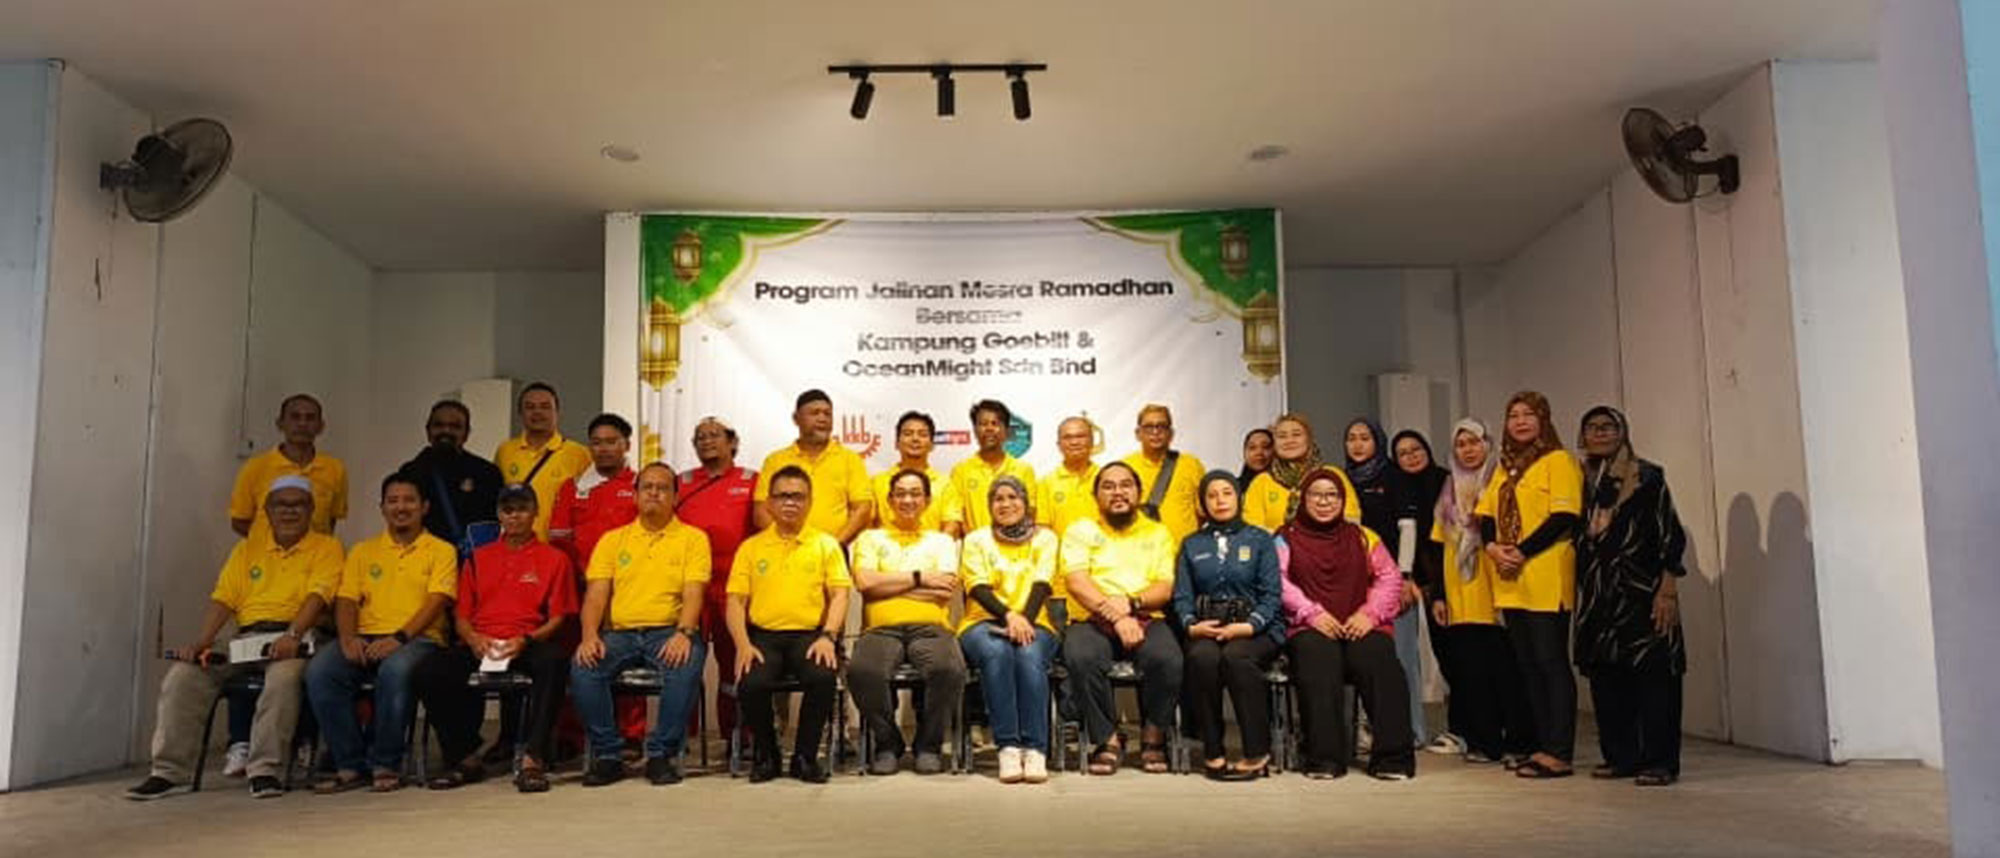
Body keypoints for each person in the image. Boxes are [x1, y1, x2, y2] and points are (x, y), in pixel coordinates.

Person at [126, 478, 342, 801]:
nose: (289, 511)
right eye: (281, 504)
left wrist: (292, 634)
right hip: (246, 637)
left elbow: (318, 596)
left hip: (296, 636)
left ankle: (264, 770)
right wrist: (202, 641)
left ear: (311, 509)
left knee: (284, 678)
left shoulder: (327, 547)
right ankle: (168, 772)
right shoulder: (247, 549)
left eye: (298, 504)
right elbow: (224, 599)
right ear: (267, 510)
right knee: (185, 675)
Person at [410, 484, 575, 793]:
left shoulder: (555, 559)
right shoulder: (477, 558)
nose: (515, 516)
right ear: (499, 514)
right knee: (429, 671)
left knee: (555, 662)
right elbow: (461, 616)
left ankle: (533, 758)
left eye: (522, 509)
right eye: (508, 510)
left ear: (535, 513)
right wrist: (474, 639)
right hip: (481, 642)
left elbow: (557, 618)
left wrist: (525, 640)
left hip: (527, 642)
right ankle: (464, 757)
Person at [306, 474, 457, 793]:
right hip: (365, 637)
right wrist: (347, 638)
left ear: (424, 507)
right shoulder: (363, 551)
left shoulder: (441, 550)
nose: (401, 507)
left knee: (395, 670)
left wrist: (399, 638)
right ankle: (349, 764)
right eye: (393, 501)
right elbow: (347, 600)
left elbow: (436, 601)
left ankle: (385, 763)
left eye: (409, 500)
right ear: (382, 508)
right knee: (321, 670)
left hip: (419, 640)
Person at [569, 464, 712, 786]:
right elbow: (595, 597)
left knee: (686, 662)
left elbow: (694, 593)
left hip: (668, 631)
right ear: (634, 495)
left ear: (675, 497)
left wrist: (684, 632)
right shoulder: (612, 540)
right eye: (647, 487)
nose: (654, 493)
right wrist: (589, 636)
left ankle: (661, 755)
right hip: (619, 635)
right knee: (583, 667)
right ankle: (608, 756)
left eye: (663, 488)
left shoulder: (693, 539)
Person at [1574, 406, 1689, 787]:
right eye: (1592, 427)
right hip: (1599, 597)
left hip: (1642, 592)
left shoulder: (1647, 476)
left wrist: (1667, 588)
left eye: (1609, 426)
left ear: (1622, 432)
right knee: (1607, 679)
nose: (1601, 433)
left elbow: (1670, 533)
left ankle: (1660, 761)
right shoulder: (1581, 480)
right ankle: (1621, 757)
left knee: (1655, 679)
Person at [1278, 468, 1415, 780]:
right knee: (1318, 660)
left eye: (1332, 495)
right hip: (1310, 626)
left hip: (1361, 623)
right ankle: (1324, 759)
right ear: (1303, 499)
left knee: (1379, 659)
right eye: (1316, 495)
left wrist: (1370, 614)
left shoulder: (1363, 536)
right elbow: (1279, 581)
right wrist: (1311, 613)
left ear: (1342, 500)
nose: (1324, 501)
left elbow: (1389, 578)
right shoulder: (1284, 538)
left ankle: (1393, 758)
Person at [1476, 391, 1585, 779]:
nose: (1520, 421)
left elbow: (1564, 515)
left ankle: (1559, 750)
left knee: (1550, 662)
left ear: (1544, 420)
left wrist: (1522, 551)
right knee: (1527, 665)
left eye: (1528, 414)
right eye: (1513, 415)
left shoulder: (1558, 461)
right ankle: (1540, 745)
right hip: (1510, 579)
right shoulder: (1505, 467)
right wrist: (1492, 546)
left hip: (1545, 575)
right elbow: (1486, 514)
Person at [729, 465, 853, 783]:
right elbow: (735, 602)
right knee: (751, 683)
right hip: (763, 637)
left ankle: (805, 757)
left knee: (822, 678)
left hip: (810, 637)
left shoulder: (826, 545)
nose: (790, 503)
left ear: (809, 502)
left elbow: (840, 595)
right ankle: (767, 755)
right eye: (782, 496)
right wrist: (742, 645)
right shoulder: (751, 547)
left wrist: (828, 637)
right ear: (769, 503)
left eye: (798, 497)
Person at [1061, 462, 1182, 775]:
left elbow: (1165, 587)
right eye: (1108, 486)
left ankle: (1153, 737)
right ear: (1096, 495)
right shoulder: (1080, 530)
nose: (1118, 492)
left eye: (1126, 485)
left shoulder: (1157, 532)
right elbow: (1077, 582)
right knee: (1081, 656)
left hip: (1145, 615)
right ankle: (1108, 740)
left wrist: (1131, 603)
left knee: (1168, 659)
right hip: (1092, 618)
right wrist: (1116, 616)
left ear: (1139, 492)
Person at [1427, 419, 1534, 766]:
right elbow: (1439, 545)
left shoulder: (1502, 480)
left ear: (1487, 444)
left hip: (1499, 590)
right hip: (1460, 593)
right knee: (1471, 674)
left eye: (1474, 442)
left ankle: (1519, 742)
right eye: (1461, 444)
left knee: (1507, 672)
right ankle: (1485, 742)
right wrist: (1439, 595)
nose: (1468, 450)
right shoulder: (1449, 488)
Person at [847, 469, 966, 775]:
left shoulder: (942, 541)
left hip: (931, 627)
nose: (908, 500)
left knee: (948, 670)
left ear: (927, 500)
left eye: (915, 493)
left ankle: (929, 744)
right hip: (880, 629)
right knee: (862, 672)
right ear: (889, 500)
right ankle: (888, 743)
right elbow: (865, 583)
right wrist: (920, 577)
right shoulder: (870, 538)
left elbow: (944, 590)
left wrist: (887, 586)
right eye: (900, 493)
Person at [1172, 471, 1282, 781]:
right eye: (1212, 495)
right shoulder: (1192, 543)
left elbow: (1272, 596)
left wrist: (1249, 626)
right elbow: (1182, 596)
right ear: (1203, 503)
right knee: (1202, 658)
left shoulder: (1260, 540)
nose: (1220, 501)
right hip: (1206, 627)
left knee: (1236, 657)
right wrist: (1191, 625)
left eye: (1227, 493)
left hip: (1255, 629)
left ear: (1238, 497)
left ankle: (1257, 752)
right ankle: (1212, 749)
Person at [959, 476, 1061, 784]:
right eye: (998, 499)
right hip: (982, 622)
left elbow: (1043, 582)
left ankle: (1035, 749)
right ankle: (1007, 746)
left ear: (1026, 503)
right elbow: (976, 586)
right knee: (997, 652)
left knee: (1029, 655)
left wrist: (1023, 620)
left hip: (1035, 621)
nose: (1006, 504)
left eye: (1013, 497)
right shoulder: (976, 539)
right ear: (989, 505)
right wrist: (1009, 617)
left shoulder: (1045, 538)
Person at [1343, 417, 1428, 747]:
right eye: (1352, 438)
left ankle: (1412, 731)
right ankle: (1373, 729)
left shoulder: (1393, 475)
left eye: (1365, 437)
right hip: (1359, 582)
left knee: (1402, 658)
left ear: (1378, 441)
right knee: (1368, 658)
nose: (1358, 444)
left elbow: (1408, 528)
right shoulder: (1344, 478)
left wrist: (1405, 576)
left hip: (1394, 580)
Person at [676, 416, 758, 745]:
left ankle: (738, 736)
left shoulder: (752, 480)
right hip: (690, 589)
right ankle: (679, 739)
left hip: (733, 589)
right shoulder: (680, 482)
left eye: (714, 435)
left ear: (732, 442)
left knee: (735, 665)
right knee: (682, 662)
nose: (707, 441)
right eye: (700, 437)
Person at [1393, 429, 1454, 755]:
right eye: (1402, 453)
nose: (1411, 456)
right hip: (1417, 581)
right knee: (1439, 653)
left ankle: (1464, 730)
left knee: (1457, 654)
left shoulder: (1446, 482)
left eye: (1416, 449)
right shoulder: (1398, 487)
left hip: (1451, 577)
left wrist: (1436, 586)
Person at [754, 389, 871, 544]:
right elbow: (761, 511)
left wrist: (834, 546)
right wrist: (787, 543)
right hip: (784, 550)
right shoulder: (775, 461)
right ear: (796, 418)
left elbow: (862, 509)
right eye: (815, 413)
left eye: (827, 414)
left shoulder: (849, 459)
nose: (822, 419)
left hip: (834, 550)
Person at [230, 393, 348, 538]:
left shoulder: (335, 469)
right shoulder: (255, 467)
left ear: (321, 426)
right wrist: (269, 544)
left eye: (310, 418)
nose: (302, 424)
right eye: (295, 417)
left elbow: (331, 520)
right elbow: (239, 520)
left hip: (317, 551)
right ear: (280, 424)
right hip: (266, 551)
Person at [396, 399, 502, 551]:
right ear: (428, 431)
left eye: (455, 426)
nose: (446, 431)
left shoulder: (487, 473)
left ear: (466, 434)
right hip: (424, 558)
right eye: (438, 425)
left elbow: (495, 525)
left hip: (472, 560)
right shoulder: (411, 472)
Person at [493, 382, 591, 540]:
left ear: (556, 412)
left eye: (545, 407)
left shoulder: (579, 454)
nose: (537, 412)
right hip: (515, 545)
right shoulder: (505, 451)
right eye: (530, 407)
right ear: (520, 413)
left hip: (558, 547)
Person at [1036, 415, 1102, 628]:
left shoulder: (1106, 479)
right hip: (1061, 587)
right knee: (1062, 643)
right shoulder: (1046, 483)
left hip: (1103, 582)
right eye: (1068, 437)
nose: (1074, 442)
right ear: (1059, 444)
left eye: (1081, 436)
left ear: (1092, 440)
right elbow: (1043, 535)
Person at [1242, 413, 1358, 531]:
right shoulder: (1262, 482)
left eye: (1296, 434)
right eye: (1282, 436)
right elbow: (1253, 530)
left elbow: (1351, 521)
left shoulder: (1333, 476)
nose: (1289, 441)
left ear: (1309, 439)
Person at [942, 399, 1037, 539]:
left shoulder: (1024, 470)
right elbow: (957, 517)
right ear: (975, 431)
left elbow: (1030, 513)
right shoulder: (961, 471)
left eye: (995, 423)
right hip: (975, 547)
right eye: (983, 424)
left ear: (1006, 431)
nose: (989, 429)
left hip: (1016, 546)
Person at [1120, 404, 1207, 544]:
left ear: (1171, 434)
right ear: (1138, 433)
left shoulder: (1191, 465)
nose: (1155, 432)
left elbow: (1204, 512)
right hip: (1139, 550)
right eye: (1149, 427)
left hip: (1183, 551)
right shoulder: (1125, 467)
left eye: (1161, 426)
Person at [872, 411, 944, 533]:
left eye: (922, 434)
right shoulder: (877, 482)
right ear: (896, 443)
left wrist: (936, 544)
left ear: (932, 445)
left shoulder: (946, 484)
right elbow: (869, 524)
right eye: (908, 434)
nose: (915, 439)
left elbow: (951, 524)